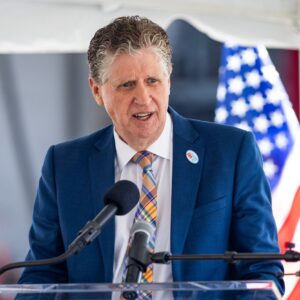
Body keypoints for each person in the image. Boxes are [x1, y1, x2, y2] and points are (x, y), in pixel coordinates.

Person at [18, 16, 284, 294]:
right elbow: (41, 275)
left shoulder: (231, 153)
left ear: (168, 81)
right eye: (127, 85)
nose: (143, 98)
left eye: (152, 81)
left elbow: (262, 271)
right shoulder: (64, 165)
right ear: (97, 90)